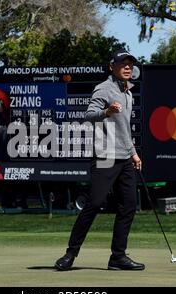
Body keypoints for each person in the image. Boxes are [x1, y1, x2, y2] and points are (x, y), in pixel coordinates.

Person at [55, 49, 144, 271]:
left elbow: (124, 129)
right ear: (111, 66)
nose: (127, 67)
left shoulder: (128, 92)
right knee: (94, 203)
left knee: (129, 205)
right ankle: (70, 254)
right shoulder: (104, 89)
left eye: (130, 64)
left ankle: (118, 256)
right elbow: (88, 115)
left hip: (124, 158)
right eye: (122, 63)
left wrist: (133, 153)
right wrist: (106, 111)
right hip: (105, 156)